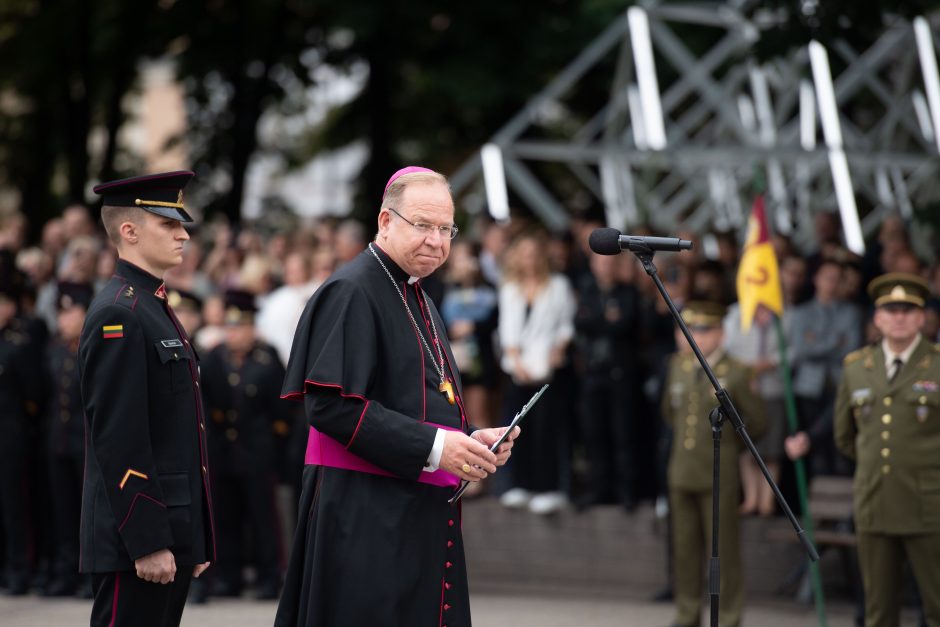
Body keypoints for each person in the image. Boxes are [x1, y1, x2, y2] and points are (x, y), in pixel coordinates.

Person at [275, 166, 518, 627]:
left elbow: (416, 401)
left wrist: (468, 439)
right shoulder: (352, 290)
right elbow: (329, 407)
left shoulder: (417, 293)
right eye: (422, 225)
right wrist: (437, 447)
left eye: (445, 228)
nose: (436, 240)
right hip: (364, 514)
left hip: (409, 508)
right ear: (386, 221)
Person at [79, 171, 214, 627]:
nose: (183, 234)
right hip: (136, 541)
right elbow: (119, 438)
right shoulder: (120, 313)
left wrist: (190, 535)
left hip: (167, 531)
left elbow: (178, 430)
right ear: (129, 231)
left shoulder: (152, 305)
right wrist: (148, 540)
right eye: (168, 225)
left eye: (181, 224)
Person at [834, 272, 940, 627]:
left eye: (908, 310)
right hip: (875, 502)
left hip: (929, 506)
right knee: (879, 612)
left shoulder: (937, 364)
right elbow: (846, 436)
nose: (899, 317)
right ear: (877, 318)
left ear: (922, 317)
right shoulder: (856, 368)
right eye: (891, 309)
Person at [663, 300, 766, 627]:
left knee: (724, 554)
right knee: (684, 551)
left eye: (703, 330)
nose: (694, 336)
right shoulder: (677, 366)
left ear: (720, 333)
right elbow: (670, 414)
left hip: (717, 474)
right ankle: (686, 614)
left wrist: (732, 444)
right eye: (689, 329)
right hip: (681, 471)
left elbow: (758, 422)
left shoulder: (736, 371)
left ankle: (729, 617)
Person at [200, 289, 286, 600]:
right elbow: (206, 407)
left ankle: (269, 577)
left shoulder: (268, 359)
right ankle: (229, 576)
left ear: (252, 328)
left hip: (258, 451)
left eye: (240, 327)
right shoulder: (213, 359)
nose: (234, 334)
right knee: (226, 517)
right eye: (230, 327)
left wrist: (274, 446)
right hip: (224, 451)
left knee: (263, 518)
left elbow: (282, 412)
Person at [497, 231, 576, 515]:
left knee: (547, 431)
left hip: (547, 371)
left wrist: (558, 350)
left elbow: (567, 325)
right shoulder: (509, 288)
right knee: (517, 431)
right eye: (524, 253)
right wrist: (516, 361)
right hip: (518, 370)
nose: (528, 259)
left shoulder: (558, 285)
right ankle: (521, 485)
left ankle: (549, 488)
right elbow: (507, 331)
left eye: (533, 253)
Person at [784, 259, 863, 476]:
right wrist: (835, 341)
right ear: (816, 279)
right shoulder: (801, 313)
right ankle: (817, 503)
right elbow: (801, 349)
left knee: (841, 442)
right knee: (811, 445)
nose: (832, 283)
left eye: (838, 279)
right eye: (828, 277)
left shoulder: (851, 312)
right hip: (808, 386)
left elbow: (851, 350)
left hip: (840, 385)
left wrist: (816, 342)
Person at [44, 281, 95, 598]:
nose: (64, 320)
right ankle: (66, 571)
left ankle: (91, 574)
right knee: (62, 509)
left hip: (84, 441)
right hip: (58, 441)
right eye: (60, 314)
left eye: (71, 312)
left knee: (86, 512)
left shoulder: (93, 344)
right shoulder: (54, 348)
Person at [0, 257, 45, 595]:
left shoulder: (20, 340)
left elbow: (33, 395)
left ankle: (20, 568)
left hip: (11, 434)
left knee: (16, 505)